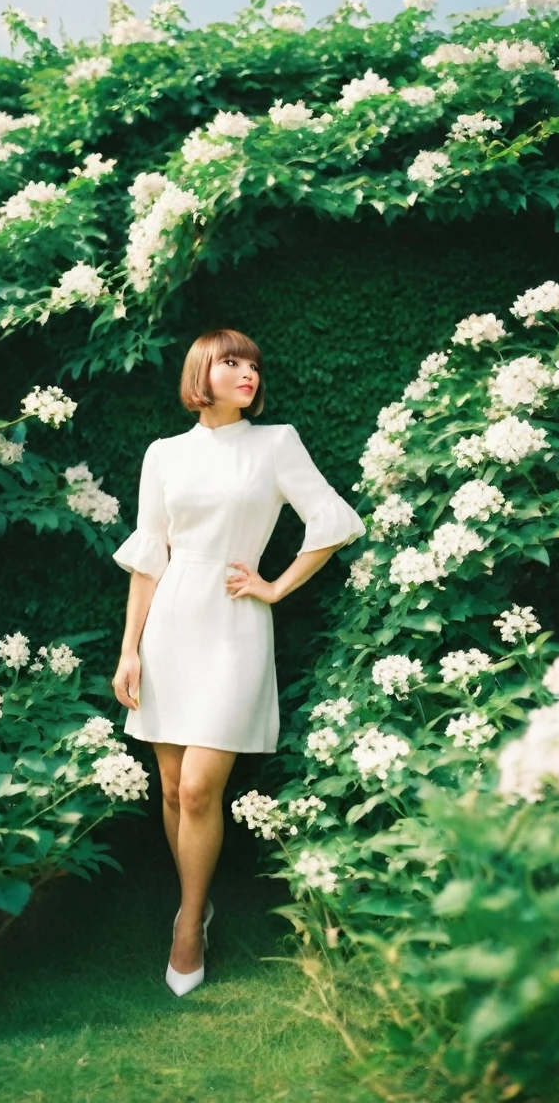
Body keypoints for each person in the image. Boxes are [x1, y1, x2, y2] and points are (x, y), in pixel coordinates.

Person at [111, 328, 366, 997]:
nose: (248, 373)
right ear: (203, 372)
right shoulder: (163, 454)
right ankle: (196, 900)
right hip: (170, 622)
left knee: (199, 788)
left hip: (234, 625)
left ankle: (189, 922)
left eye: (253, 363)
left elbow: (334, 521)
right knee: (169, 788)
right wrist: (128, 650)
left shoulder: (274, 443)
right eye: (232, 362)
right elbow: (148, 557)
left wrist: (275, 586)